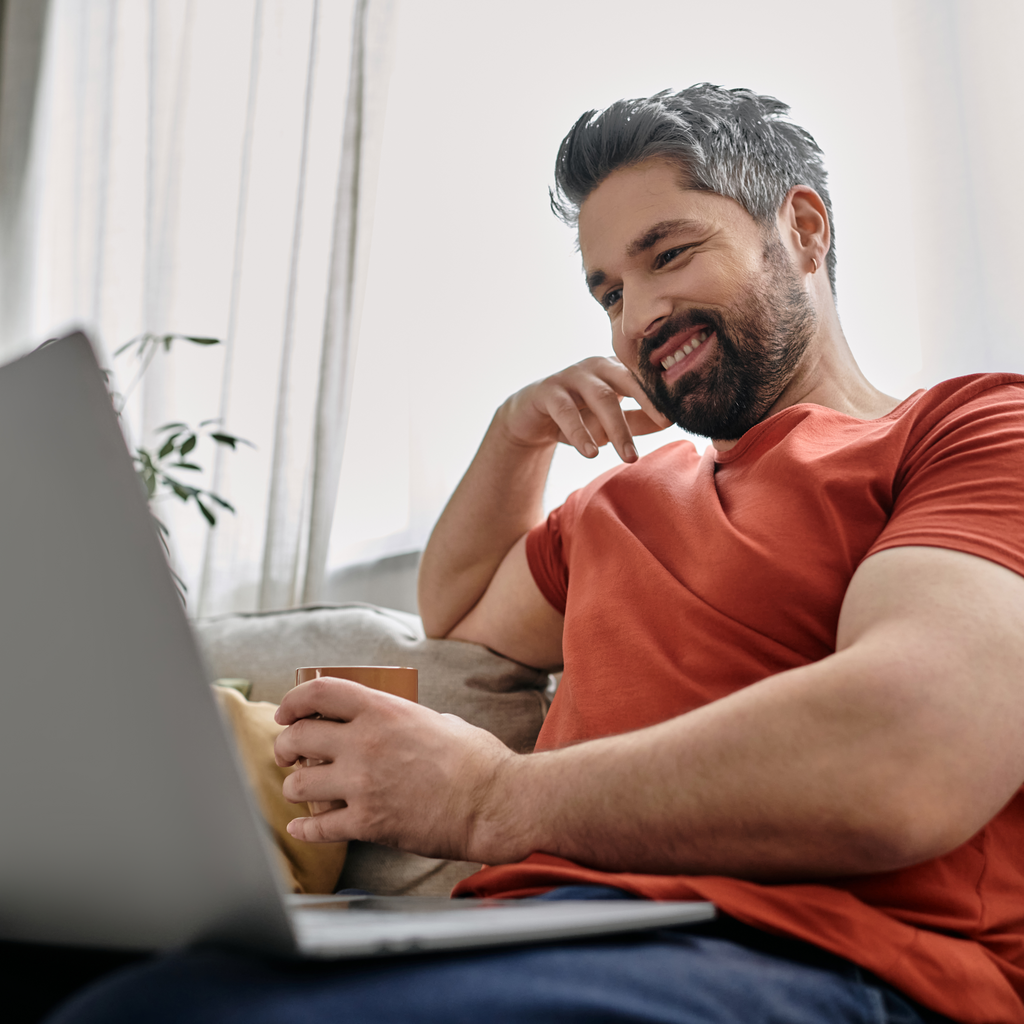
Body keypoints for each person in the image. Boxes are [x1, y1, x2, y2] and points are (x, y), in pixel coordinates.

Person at [49, 85, 1024, 1024]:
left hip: (825, 958)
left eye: (670, 253)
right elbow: (459, 615)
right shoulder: (617, 504)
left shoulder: (970, 429)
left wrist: (489, 800)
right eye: (608, 291)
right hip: (541, 935)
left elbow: (910, 755)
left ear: (803, 229)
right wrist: (515, 432)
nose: (639, 317)